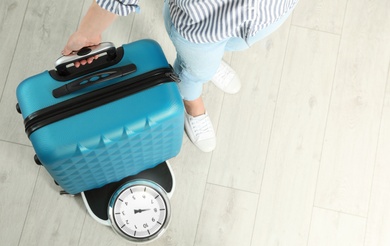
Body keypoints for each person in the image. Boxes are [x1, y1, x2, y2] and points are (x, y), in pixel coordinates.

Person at [62, 0, 299, 152]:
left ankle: (209, 64)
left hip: (272, 10)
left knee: (232, 46)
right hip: (202, 26)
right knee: (194, 71)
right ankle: (193, 102)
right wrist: (87, 32)